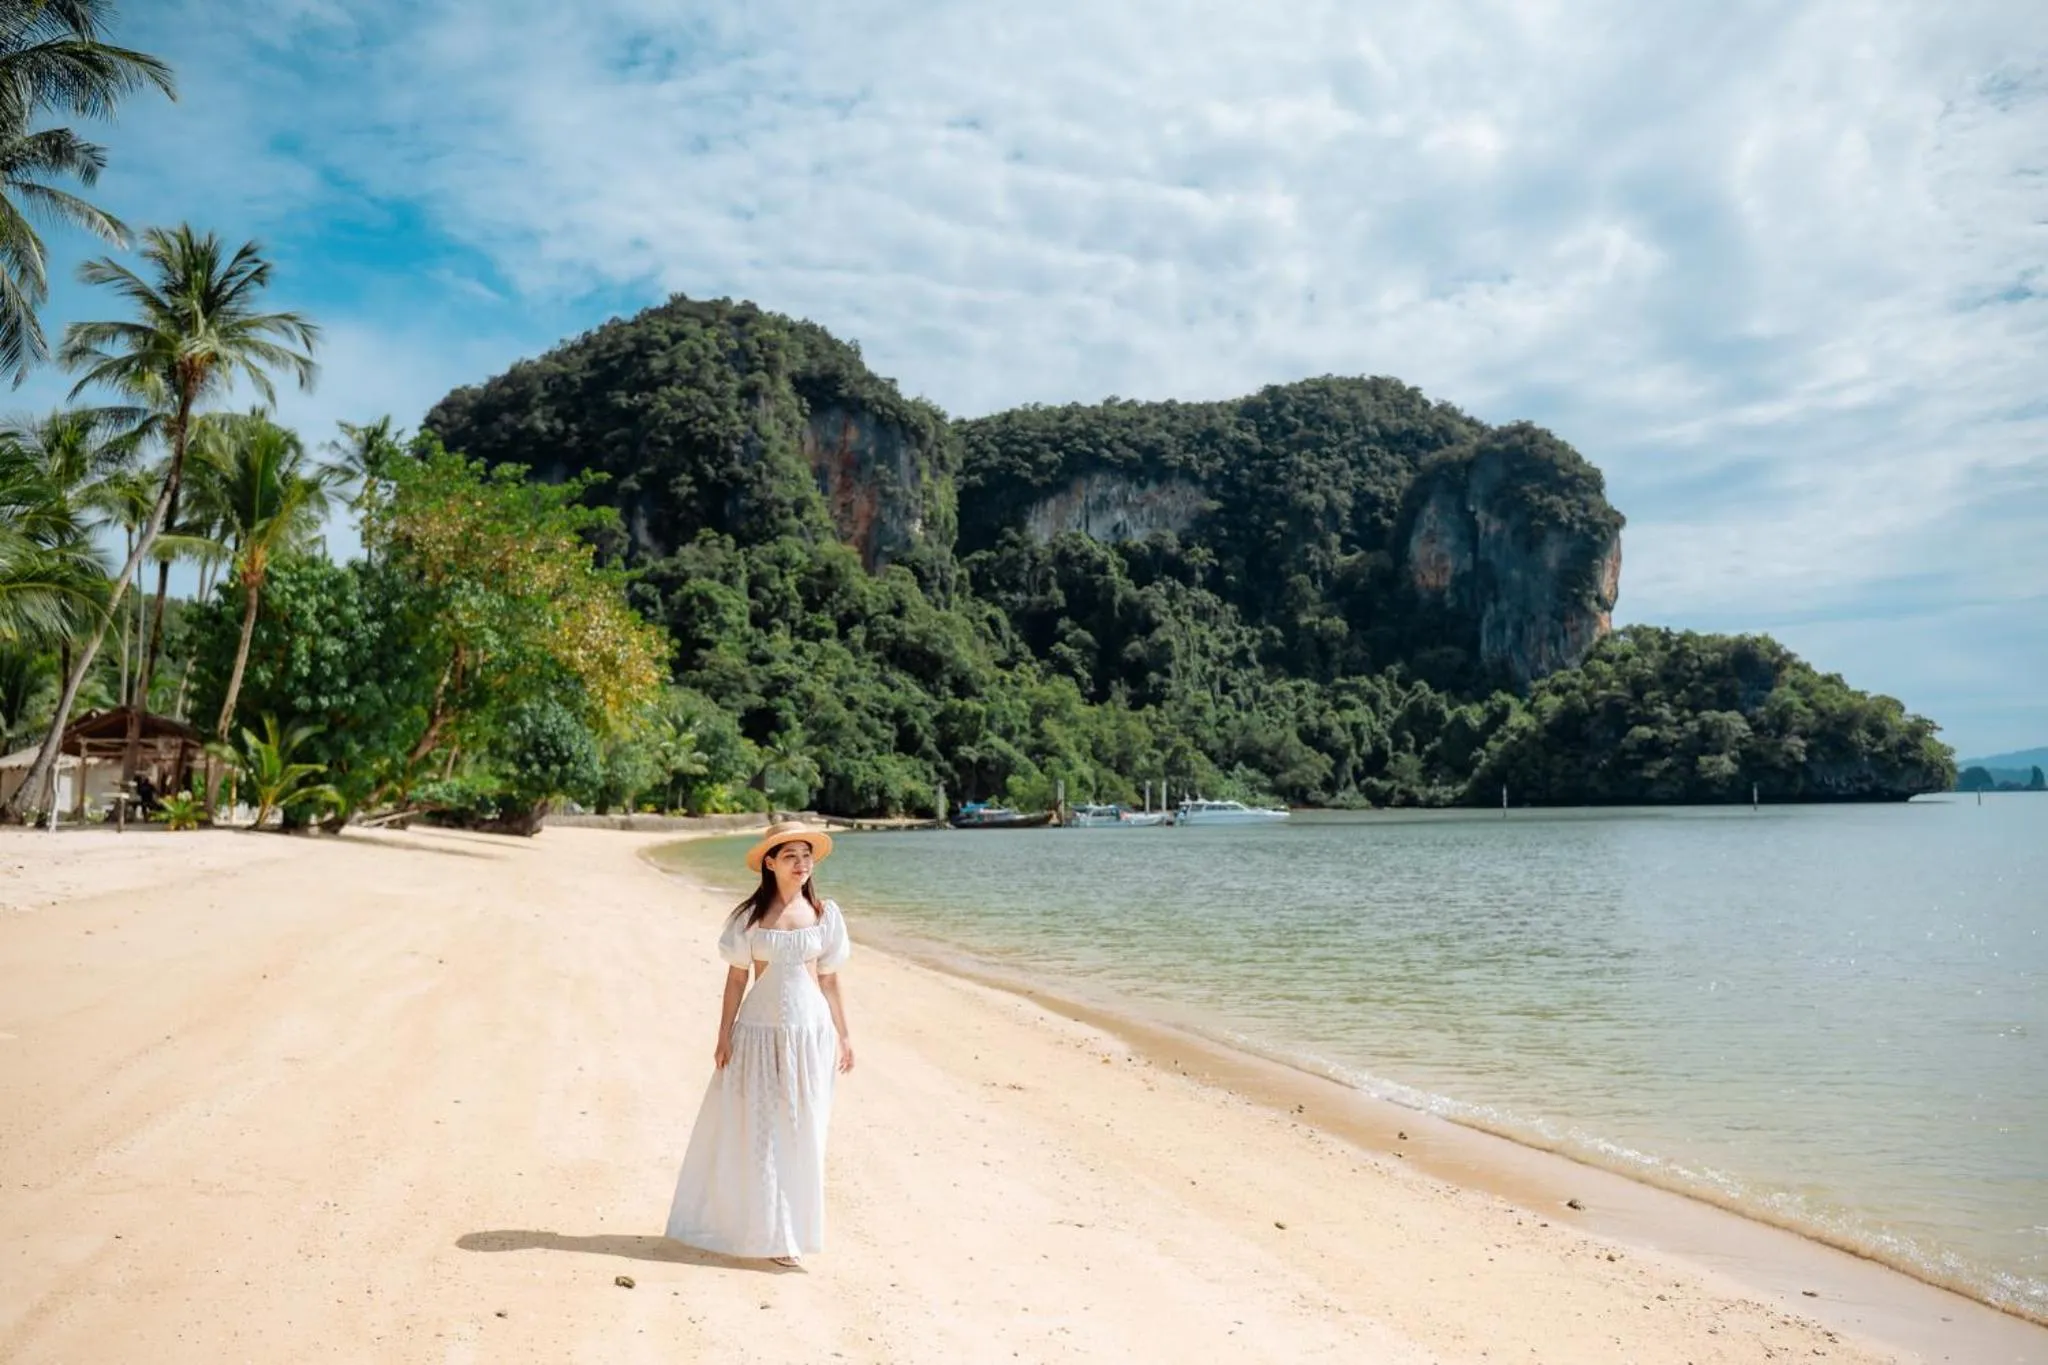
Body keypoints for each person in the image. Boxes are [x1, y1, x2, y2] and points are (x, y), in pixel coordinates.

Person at [665, 821, 854, 1267]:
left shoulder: (824, 914)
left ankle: (791, 1233)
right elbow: (736, 980)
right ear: (770, 863)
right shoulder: (749, 918)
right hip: (757, 1035)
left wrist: (844, 1035)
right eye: (791, 856)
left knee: (804, 1129)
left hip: (810, 1036)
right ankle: (767, 1232)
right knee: (762, 1130)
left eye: (807, 856)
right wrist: (724, 1033)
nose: (802, 864)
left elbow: (829, 980)